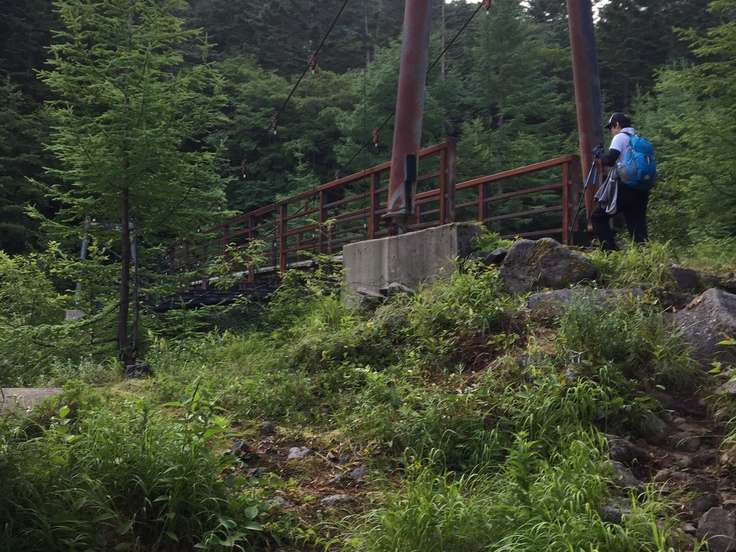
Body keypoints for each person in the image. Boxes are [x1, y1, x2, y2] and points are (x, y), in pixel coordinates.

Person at [590, 112, 650, 251]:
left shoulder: (620, 137)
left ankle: (611, 253)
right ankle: (646, 256)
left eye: (611, 127)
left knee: (598, 218)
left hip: (626, 187)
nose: (611, 131)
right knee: (637, 224)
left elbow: (610, 160)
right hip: (642, 187)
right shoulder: (637, 138)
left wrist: (599, 154)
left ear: (617, 125)